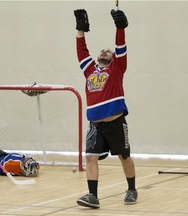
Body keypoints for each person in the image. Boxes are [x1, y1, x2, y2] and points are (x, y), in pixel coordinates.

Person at [74, 9, 138, 208]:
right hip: (95, 125)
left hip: (116, 123)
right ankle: (93, 196)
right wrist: (79, 30)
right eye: (102, 50)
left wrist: (120, 28)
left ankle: (131, 189)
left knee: (123, 156)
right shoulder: (90, 70)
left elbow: (120, 48)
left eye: (108, 51)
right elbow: (81, 52)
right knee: (91, 157)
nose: (104, 51)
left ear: (113, 58)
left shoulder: (117, 68)